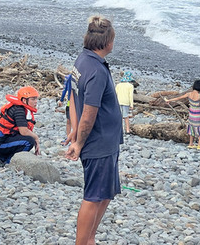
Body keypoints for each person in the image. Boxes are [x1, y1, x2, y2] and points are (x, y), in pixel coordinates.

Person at [65, 16, 123, 245]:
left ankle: (90, 238)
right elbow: (90, 111)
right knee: (94, 195)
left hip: (105, 141)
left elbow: (71, 91)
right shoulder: (96, 70)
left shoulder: (83, 60)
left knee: (106, 193)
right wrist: (78, 141)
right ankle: (83, 242)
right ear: (107, 41)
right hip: (98, 142)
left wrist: (73, 129)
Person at [0, 86, 41, 165]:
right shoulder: (19, 110)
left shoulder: (19, 107)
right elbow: (24, 131)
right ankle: (9, 161)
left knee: (26, 138)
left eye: (36, 99)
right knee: (29, 142)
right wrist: (36, 138)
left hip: (0, 139)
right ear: (24, 100)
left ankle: (3, 157)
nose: (36, 102)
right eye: (33, 99)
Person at [165, 79, 200, 149]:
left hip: (191, 114)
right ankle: (199, 145)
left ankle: (191, 144)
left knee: (192, 128)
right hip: (198, 115)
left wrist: (169, 100)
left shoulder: (189, 94)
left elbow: (178, 98)